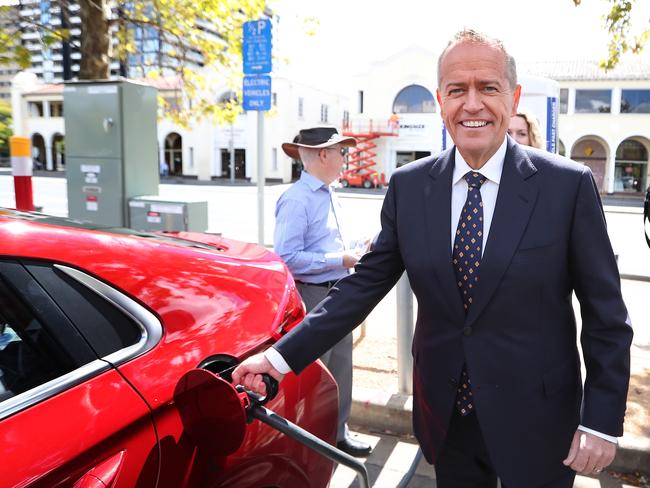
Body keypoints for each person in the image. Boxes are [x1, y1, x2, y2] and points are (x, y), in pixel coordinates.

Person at [234, 29, 633, 487]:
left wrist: (601, 419)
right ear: (440, 100)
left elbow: (606, 318)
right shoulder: (410, 186)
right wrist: (281, 358)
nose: (473, 104)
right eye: (457, 90)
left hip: (539, 419)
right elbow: (362, 287)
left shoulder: (567, 186)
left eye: (488, 88)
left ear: (513, 95)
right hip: (448, 420)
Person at [273, 126, 372, 457]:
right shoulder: (296, 199)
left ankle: (338, 433)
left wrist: (357, 248)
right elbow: (288, 258)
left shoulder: (330, 193)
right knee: (317, 375)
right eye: (341, 152)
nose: (345, 159)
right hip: (313, 296)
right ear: (324, 155)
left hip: (336, 291)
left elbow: (330, 243)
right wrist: (340, 258)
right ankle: (311, 444)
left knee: (341, 367)